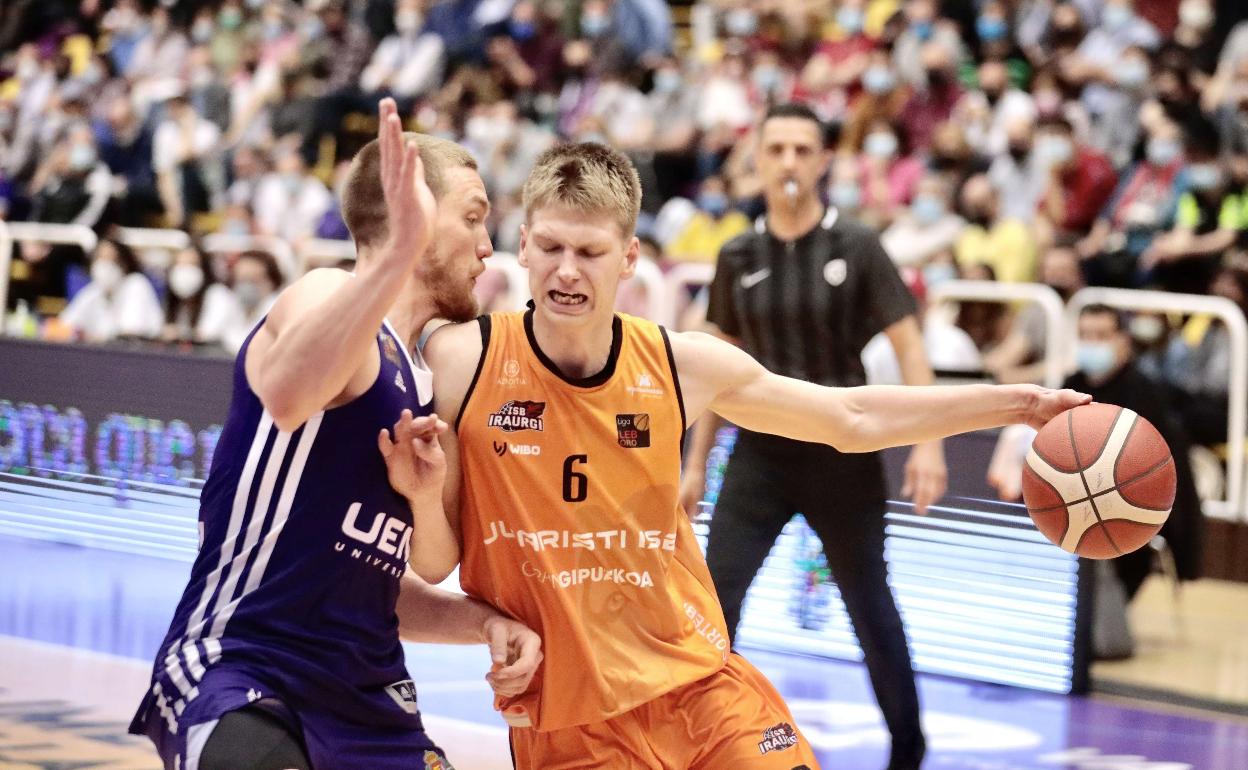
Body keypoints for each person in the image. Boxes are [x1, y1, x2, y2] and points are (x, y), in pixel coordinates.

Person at [417, 140, 1088, 769]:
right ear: (523, 247)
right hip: (565, 717)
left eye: (589, 252)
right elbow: (432, 554)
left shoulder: (680, 364)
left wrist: (1015, 405)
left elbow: (848, 415)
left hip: (699, 689)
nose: (566, 271)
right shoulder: (460, 361)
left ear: (628, 258)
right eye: (551, 247)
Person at [129, 99, 541, 770]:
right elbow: (289, 396)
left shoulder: (430, 387)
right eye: (472, 219)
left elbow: (374, 585)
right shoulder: (324, 294)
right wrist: (393, 258)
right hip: (247, 670)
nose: (488, 248)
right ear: (412, 217)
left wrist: (485, 621)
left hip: (365, 697)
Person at [682, 103, 954, 770]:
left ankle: (908, 750)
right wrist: (694, 465)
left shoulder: (857, 246)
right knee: (715, 601)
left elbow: (908, 345)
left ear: (824, 160)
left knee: (870, 605)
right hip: (759, 456)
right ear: (759, 159)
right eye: (776, 149)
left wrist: (929, 442)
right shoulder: (738, 253)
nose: (790, 162)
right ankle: (700, 741)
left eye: (803, 150)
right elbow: (718, 361)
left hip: (844, 455)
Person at [60, 237, 163, 342]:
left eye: (109, 259)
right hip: (103, 354)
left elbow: (129, 334)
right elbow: (63, 325)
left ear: (123, 264)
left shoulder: (136, 284)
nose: (103, 266)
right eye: (99, 258)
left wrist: (93, 337)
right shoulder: (93, 291)